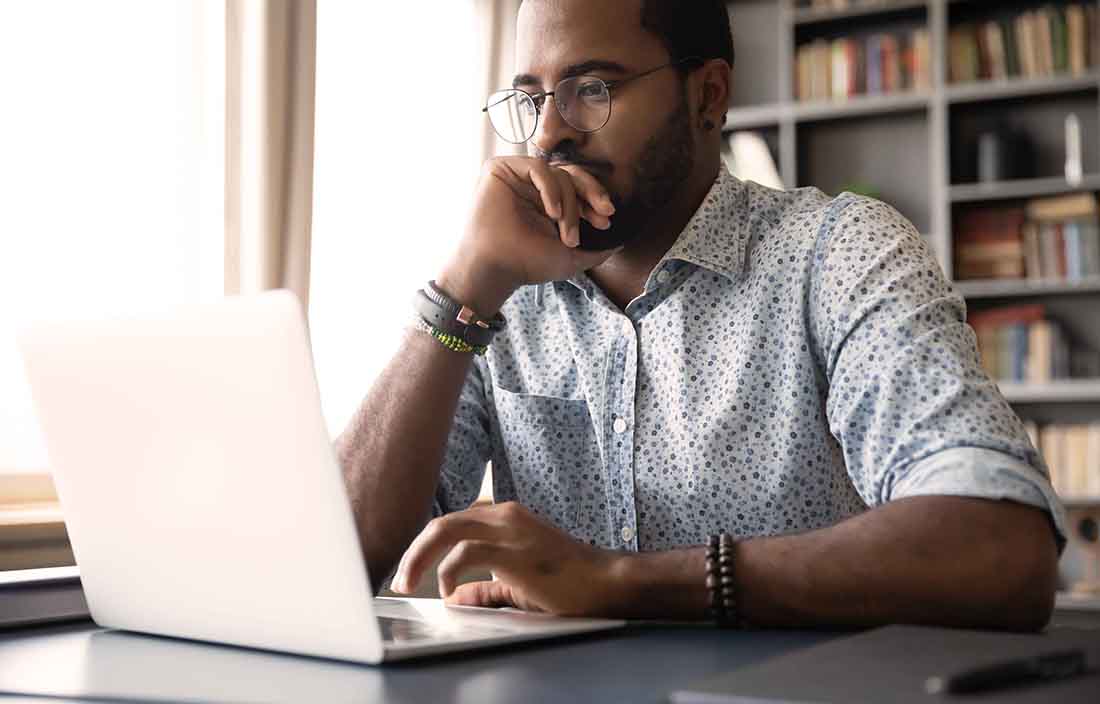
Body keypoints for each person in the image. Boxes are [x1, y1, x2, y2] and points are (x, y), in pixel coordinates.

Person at [336, 0, 1065, 630]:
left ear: (708, 97)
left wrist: (623, 583)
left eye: (592, 88)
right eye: (532, 97)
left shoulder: (834, 254)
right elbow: (337, 555)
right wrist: (463, 285)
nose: (548, 134)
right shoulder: (502, 290)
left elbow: (999, 544)